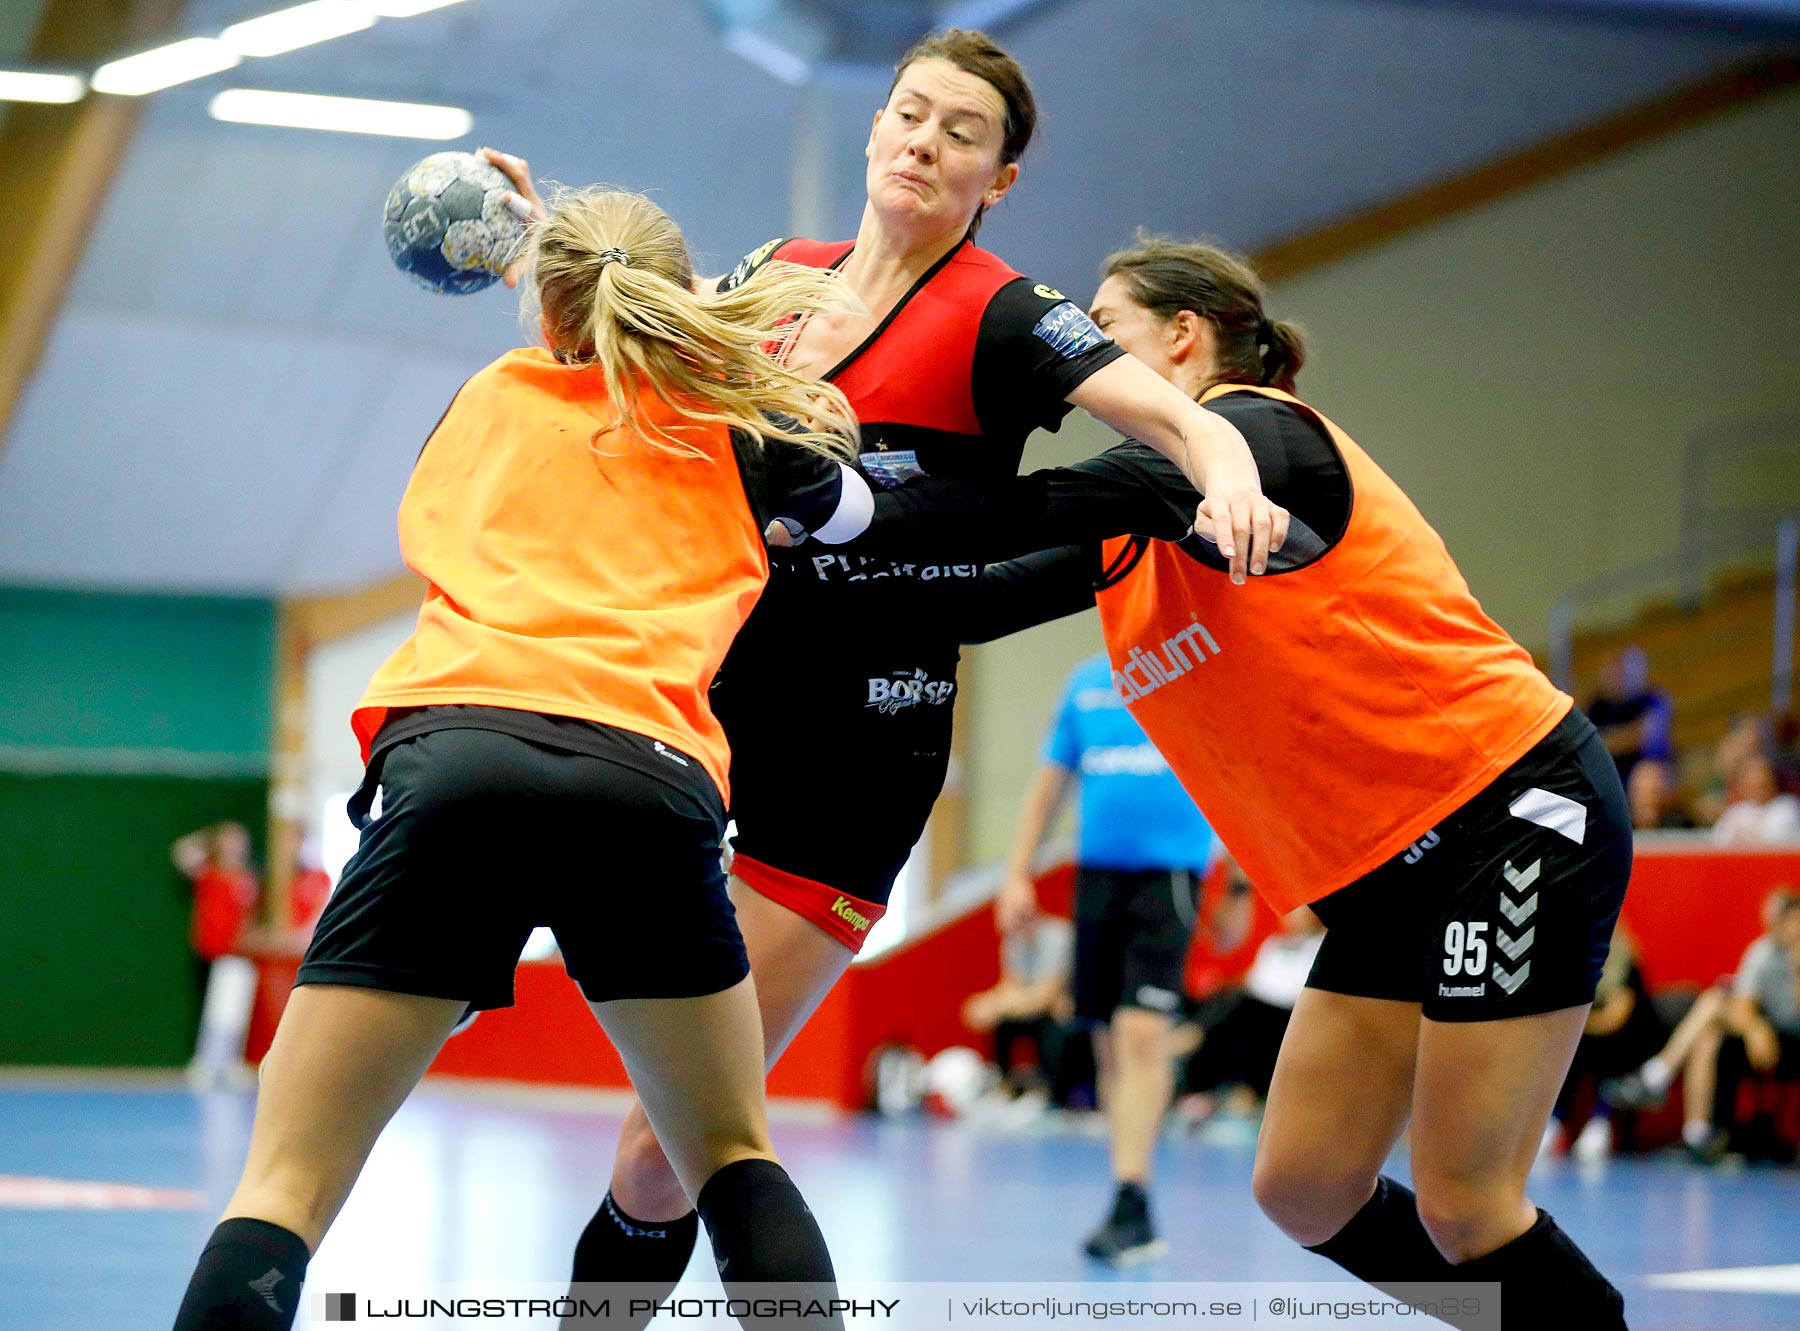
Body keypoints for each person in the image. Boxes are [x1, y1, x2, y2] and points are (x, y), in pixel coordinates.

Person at [480, 28, 1287, 1303]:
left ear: (998, 178)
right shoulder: (778, 274)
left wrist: (1229, 471)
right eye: (910, 115)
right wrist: (540, 241)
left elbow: (1180, 419)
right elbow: (630, 337)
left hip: (857, 755)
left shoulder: (1010, 315)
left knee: (673, 1139)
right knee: (663, 1107)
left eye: (961, 132)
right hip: (706, 701)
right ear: (874, 130)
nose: (924, 141)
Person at [866, 233, 1637, 1326]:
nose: (1078, 353)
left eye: (1103, 327)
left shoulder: (1254, 436)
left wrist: (853, 495)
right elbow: (968, 595)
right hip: (1383, 872)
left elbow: (1033, 507)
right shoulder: (1139, 519)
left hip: (1505, 811)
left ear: (1182, 339)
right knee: (1306, 1184)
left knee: (1469, 1202)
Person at [169, 187, 877, 1331]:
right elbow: (847, 511)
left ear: (544, 307)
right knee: (734, 1153)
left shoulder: (488, 395)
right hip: (647, 778)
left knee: (284, 1183)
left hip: (460, 759)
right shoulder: (740, 434)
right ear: (672, 294)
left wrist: (552, 270)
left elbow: (575, 342)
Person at [995, 651, 1217, 1264]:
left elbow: (1241, 771)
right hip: (1097, 879)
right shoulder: (1085, 681)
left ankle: (1133, 1192)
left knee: (1142, 1032)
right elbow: (1049, 786)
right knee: (1109, 1044)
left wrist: (1245, 886)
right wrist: (1017, 875)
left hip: (1168, 875)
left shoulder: (1197, 667)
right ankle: (1130, 1198)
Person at [1583, 646, 1673, 785]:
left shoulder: (1652, 700)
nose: (1613, 677)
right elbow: (1586, 745)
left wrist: (1604, 743)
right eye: (1609, 672)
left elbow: (1642, 737)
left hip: (1645, 775)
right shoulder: (1597, 705)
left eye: (1619, 672)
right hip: (1611, 777)